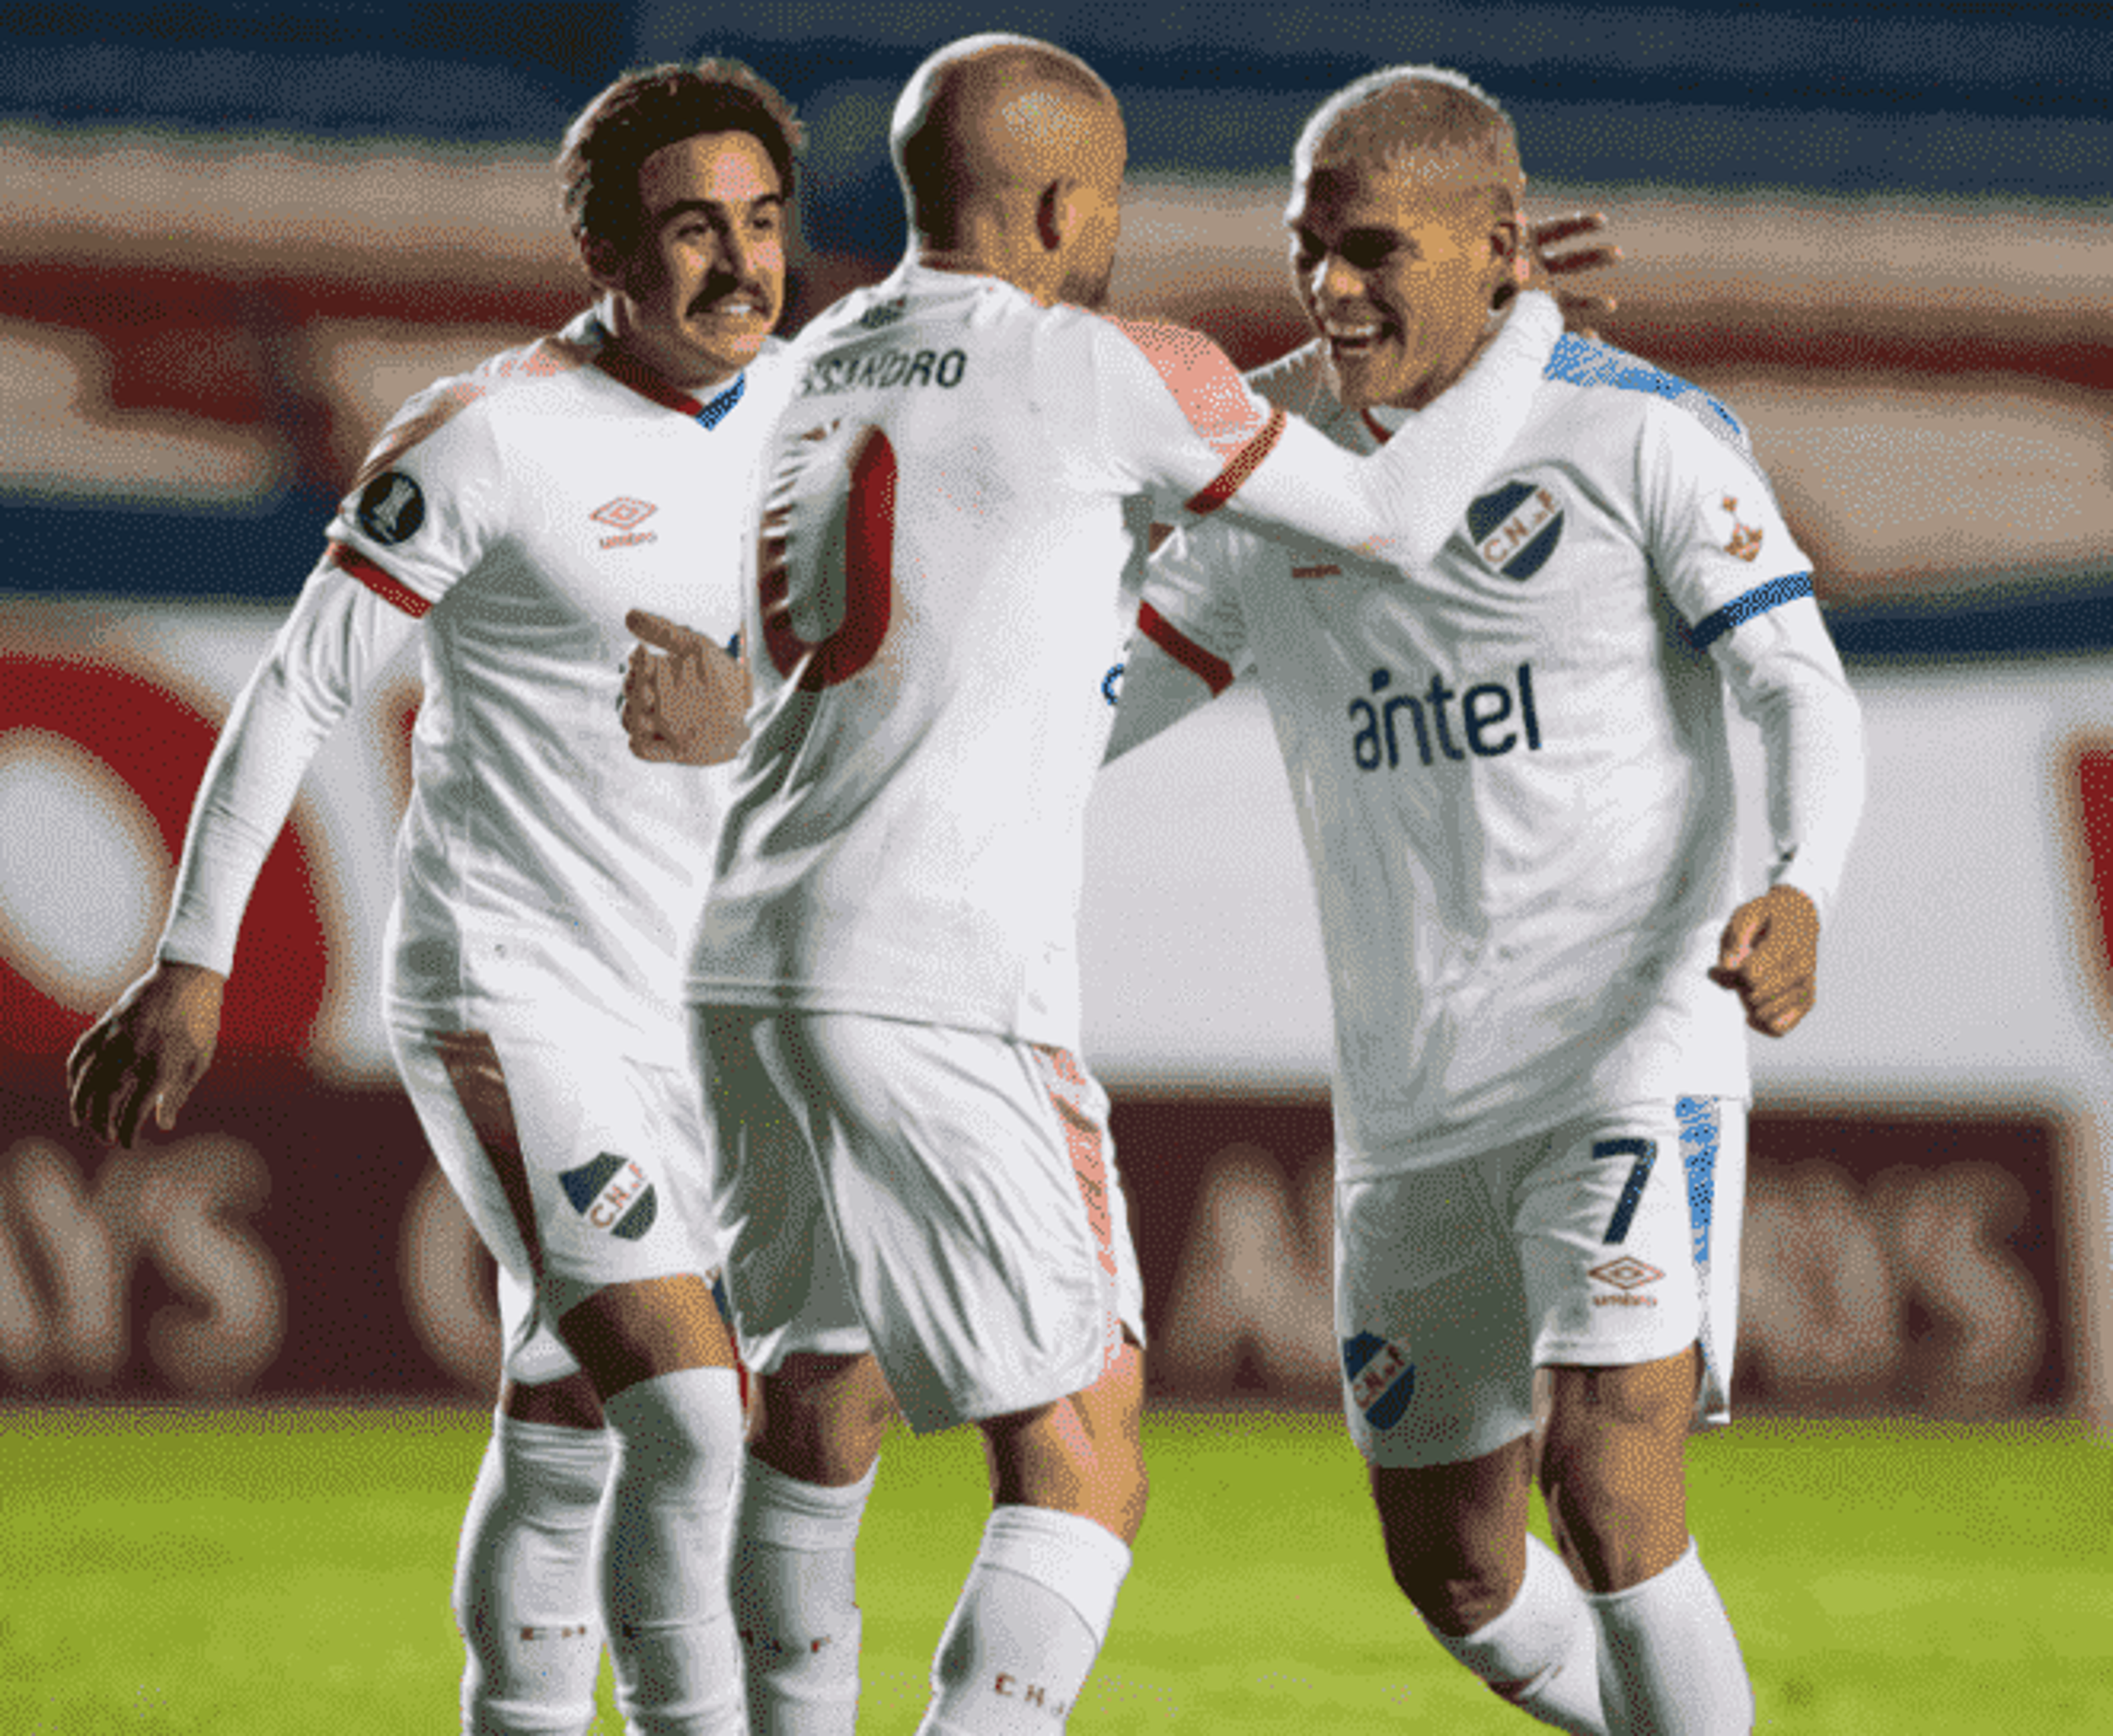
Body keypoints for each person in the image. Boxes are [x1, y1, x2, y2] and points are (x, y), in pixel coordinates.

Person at [632, 30, 1567, 1736]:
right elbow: (1398, 519)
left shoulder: (817, 357)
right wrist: (1527, 339)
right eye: (1113, 200)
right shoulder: (1098, 362)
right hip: (937, 972)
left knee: (818, 1403)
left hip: (749, 951)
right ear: (1064, 201)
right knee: (1082, 1459)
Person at [1104, 65, 1866, 1735]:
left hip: (1625, 1040)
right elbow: (1095, 707)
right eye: (1309, 249)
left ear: (1499, 246)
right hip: (1409, 1099)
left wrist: (1801, 885)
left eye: (1374, 249)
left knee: (1607, 1487)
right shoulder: (1268, 469)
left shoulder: (1638, 430)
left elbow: (1799, 687)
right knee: (1453, 1569)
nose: (1331, 287)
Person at [65, 57, 801, 1736]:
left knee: (569, 1409)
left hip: (696, 1006)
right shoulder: (488, 437)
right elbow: (299, 688)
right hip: (508, 990)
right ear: (609, 249)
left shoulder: (803, 420)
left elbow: (847, 682)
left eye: (763, 221)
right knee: (694, 1414)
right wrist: (193, 958)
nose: (739, 263)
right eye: (694, 227)